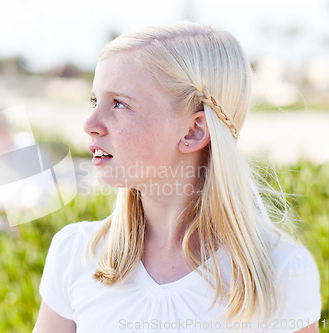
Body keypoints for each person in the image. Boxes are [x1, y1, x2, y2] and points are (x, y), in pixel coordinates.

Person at [34, 23, 321, 332]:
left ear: (193, 131)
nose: (90, 123)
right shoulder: (76, 253)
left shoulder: (281, 272)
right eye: (94, 101)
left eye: (119, 103)